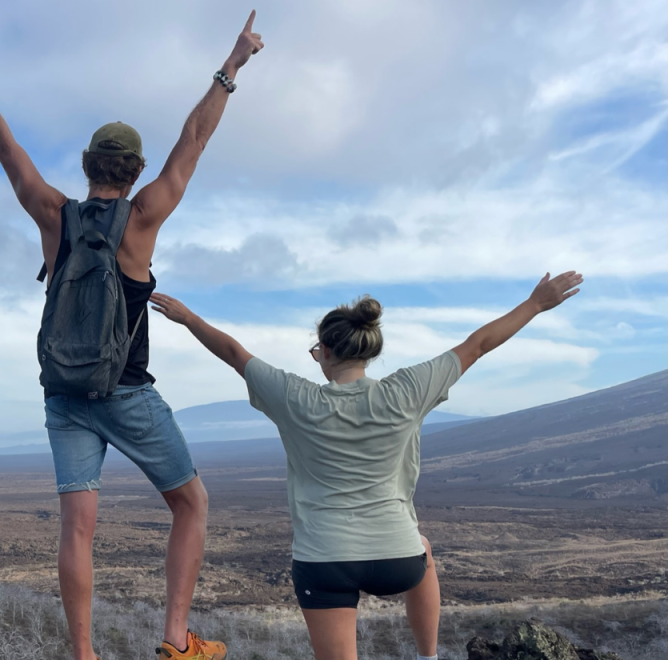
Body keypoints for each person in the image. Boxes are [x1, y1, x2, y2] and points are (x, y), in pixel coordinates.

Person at [0, 12, 265, 660]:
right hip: (126, 391)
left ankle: (83, 654)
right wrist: (234, 63)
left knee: (77, 530)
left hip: (63, 395)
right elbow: (193, 141)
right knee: (192, 503)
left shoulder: (53, 214)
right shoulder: (143, 217)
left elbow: (5, 145)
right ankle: (175, 641)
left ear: (87, 166)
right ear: (135, 170)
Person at [149, 271, 584, 660]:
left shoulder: (297, 399)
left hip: (325, 560)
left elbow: (232, 352)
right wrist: (535, 304)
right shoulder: (408, 390)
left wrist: (189, 319)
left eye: (316, 349)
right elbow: (478, 345)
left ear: (326, 351)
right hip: (399, 557)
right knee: (424, 548)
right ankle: (428, 656)